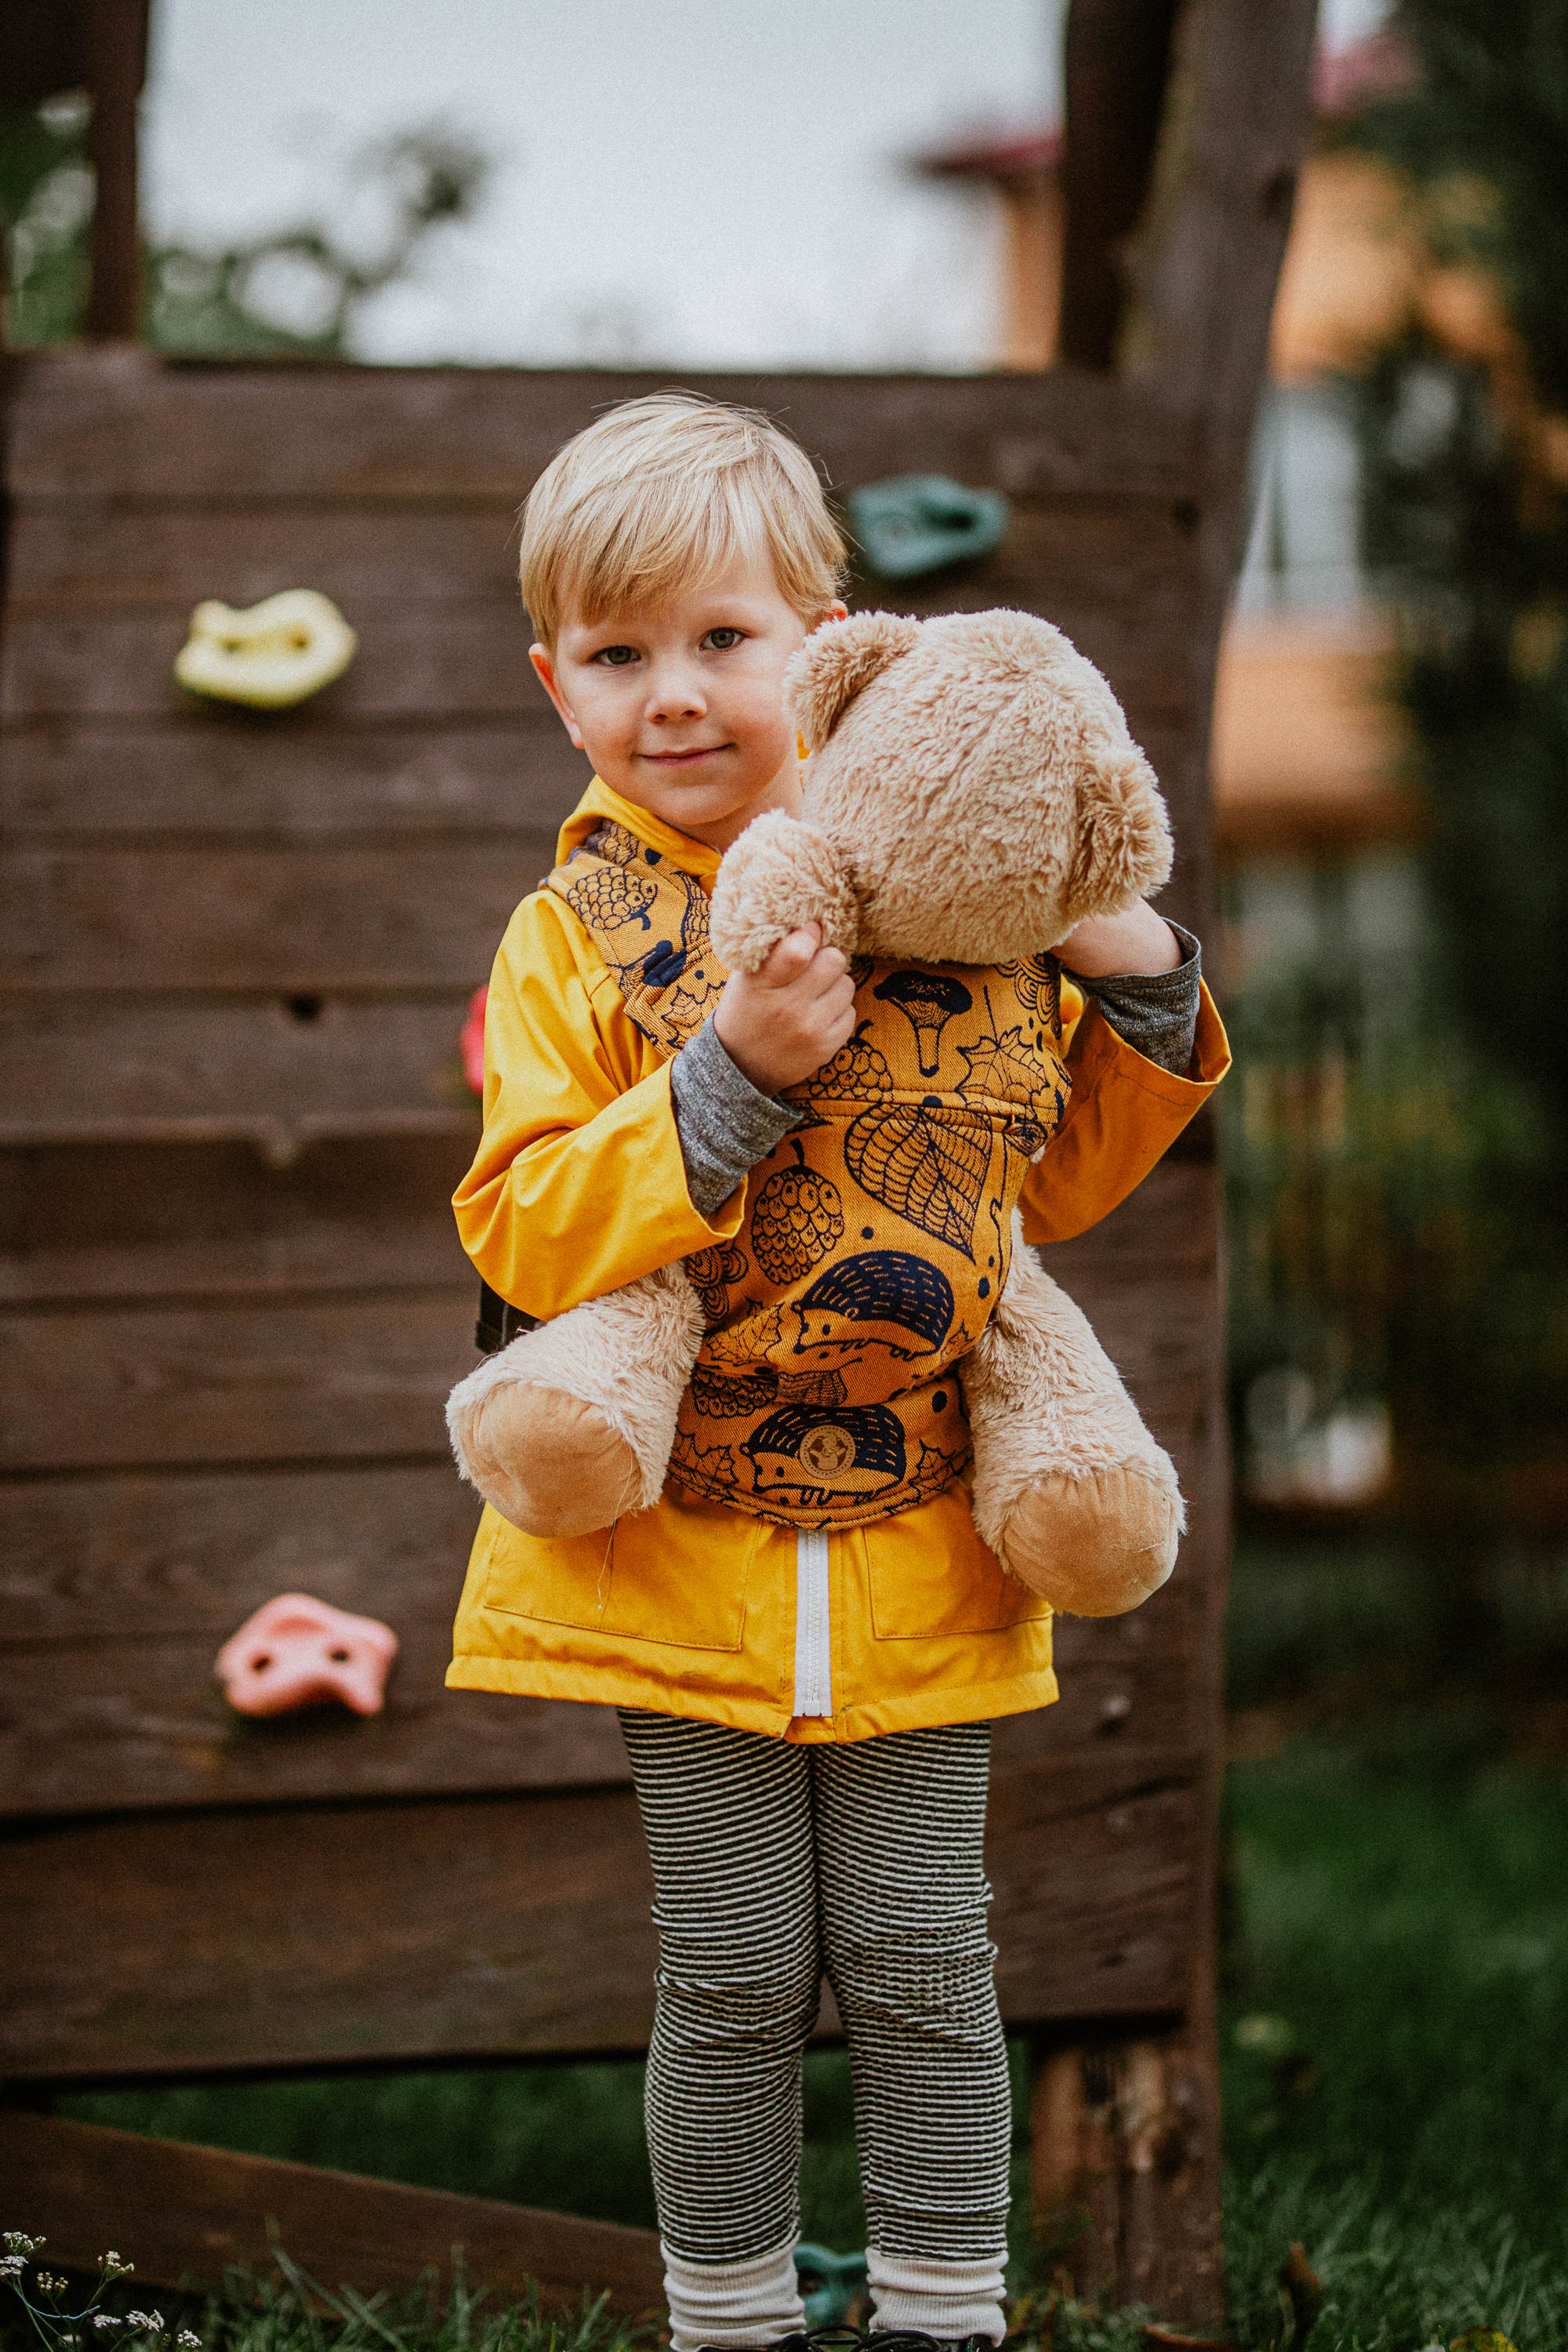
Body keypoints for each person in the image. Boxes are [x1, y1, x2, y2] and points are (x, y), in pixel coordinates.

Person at [447, 393, 1229, 2352]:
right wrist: (729, 1083)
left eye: (723, 639)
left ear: (828, 645)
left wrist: (1128, 972)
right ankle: (728, 2325)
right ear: (560, 690)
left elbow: (1042, 1181)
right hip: (681, 1549)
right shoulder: (573, 935)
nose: (677, 696)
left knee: (919, 1951)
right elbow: (523, 1221)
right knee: (727, 1961)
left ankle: (947, 2318)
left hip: (916, 1539)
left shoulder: (962, 923)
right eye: (620, 658)